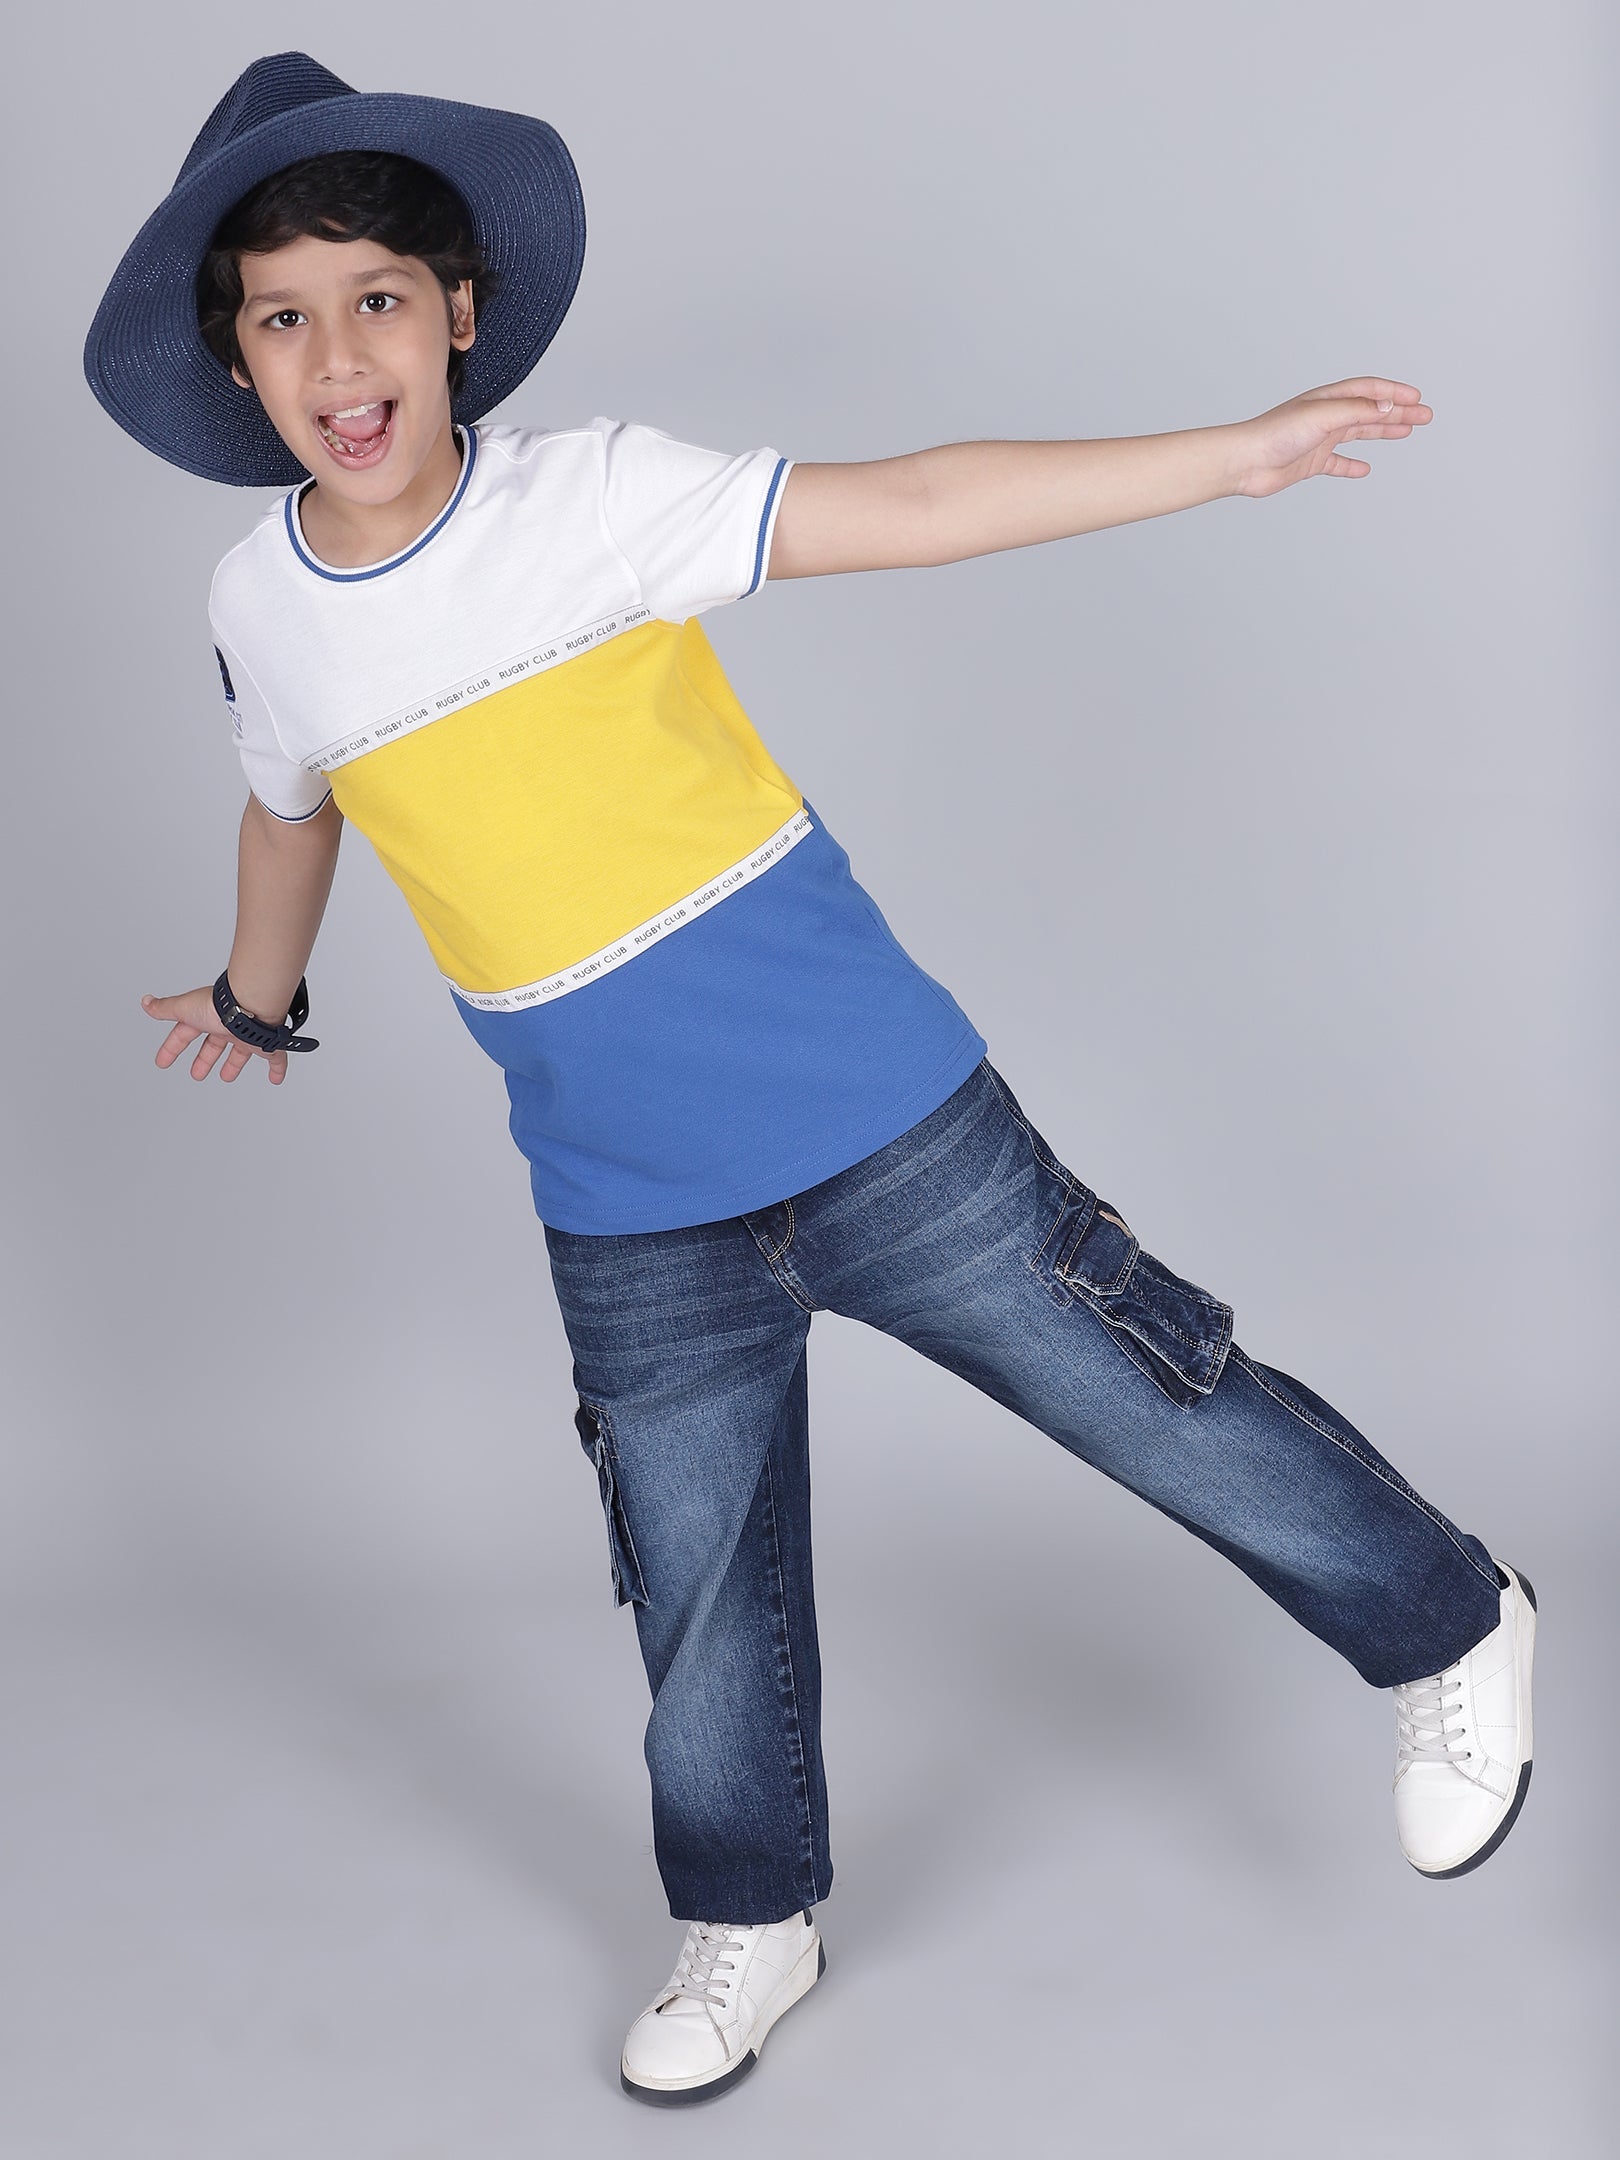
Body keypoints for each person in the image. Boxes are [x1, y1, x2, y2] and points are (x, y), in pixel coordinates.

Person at [85, 51, 1537, 2110]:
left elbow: (920, 501)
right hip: (621, 1198)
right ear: (238, 365)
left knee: (1154, 1395)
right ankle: (748, 1916)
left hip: (881, 1124)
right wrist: (255, 996)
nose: (340, 357)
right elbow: (289, 806)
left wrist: (1228, 456)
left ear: (460, 314)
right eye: (285, 318)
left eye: (378, 299)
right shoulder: (262, 608)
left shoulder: (593, 501)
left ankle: (1452, 1622)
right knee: (697, 1586)